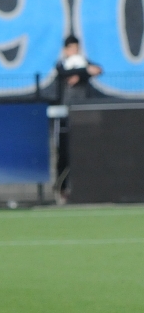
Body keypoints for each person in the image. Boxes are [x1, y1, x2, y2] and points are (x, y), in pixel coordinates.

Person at [54, 35, 103, 202]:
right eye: (71, 49)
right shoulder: (62, 64)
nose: (74, 52)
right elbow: (63, 72)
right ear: (65, 50)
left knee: (87, 152)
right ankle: (62, 189)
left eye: (76, 48)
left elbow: (99, 69)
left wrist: (81, 74)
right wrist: (83, 72)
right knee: (64, 154)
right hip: (66, 116)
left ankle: (88, 188)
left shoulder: (84, 62)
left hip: (83, 116)